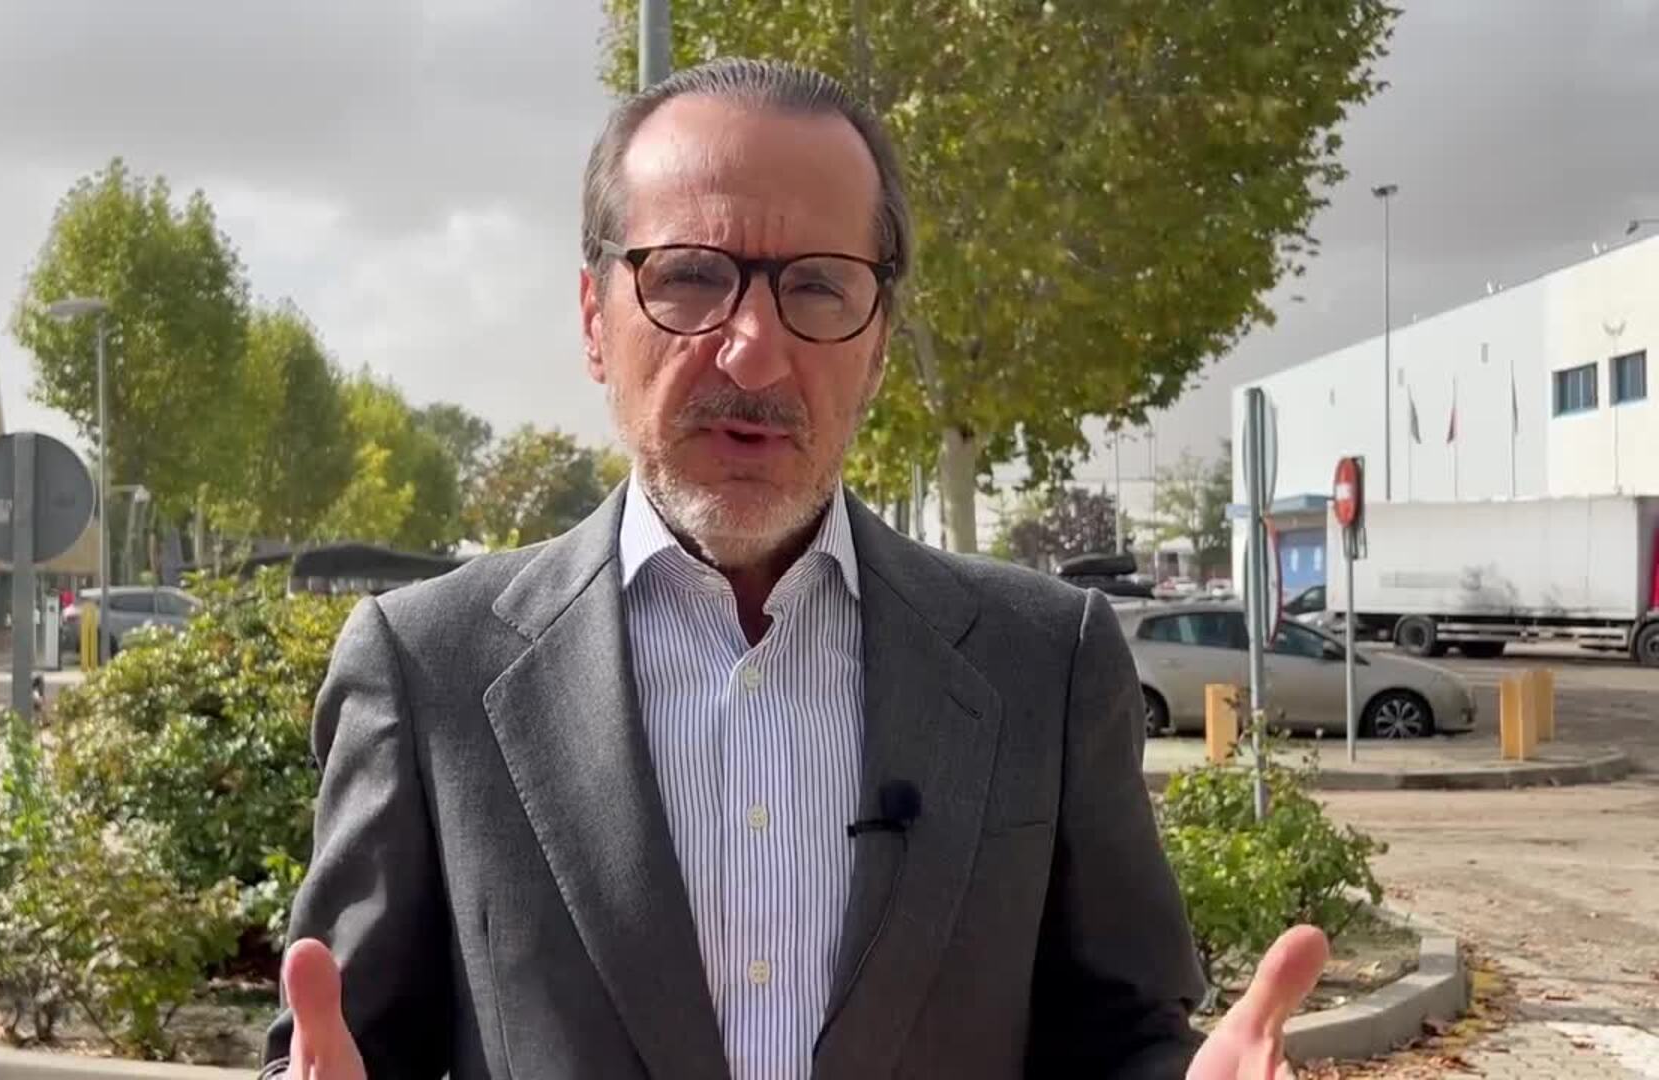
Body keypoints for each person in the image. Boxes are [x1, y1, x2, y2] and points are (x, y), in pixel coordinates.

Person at [262, 57, 1327, 1080]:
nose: (754, 351)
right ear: (594, 321)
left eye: (818, 288)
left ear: (878, 341)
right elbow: (344, 1049)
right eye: (690, 278)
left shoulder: (1044, 664)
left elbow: (1119, 1041)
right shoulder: (430, 668)